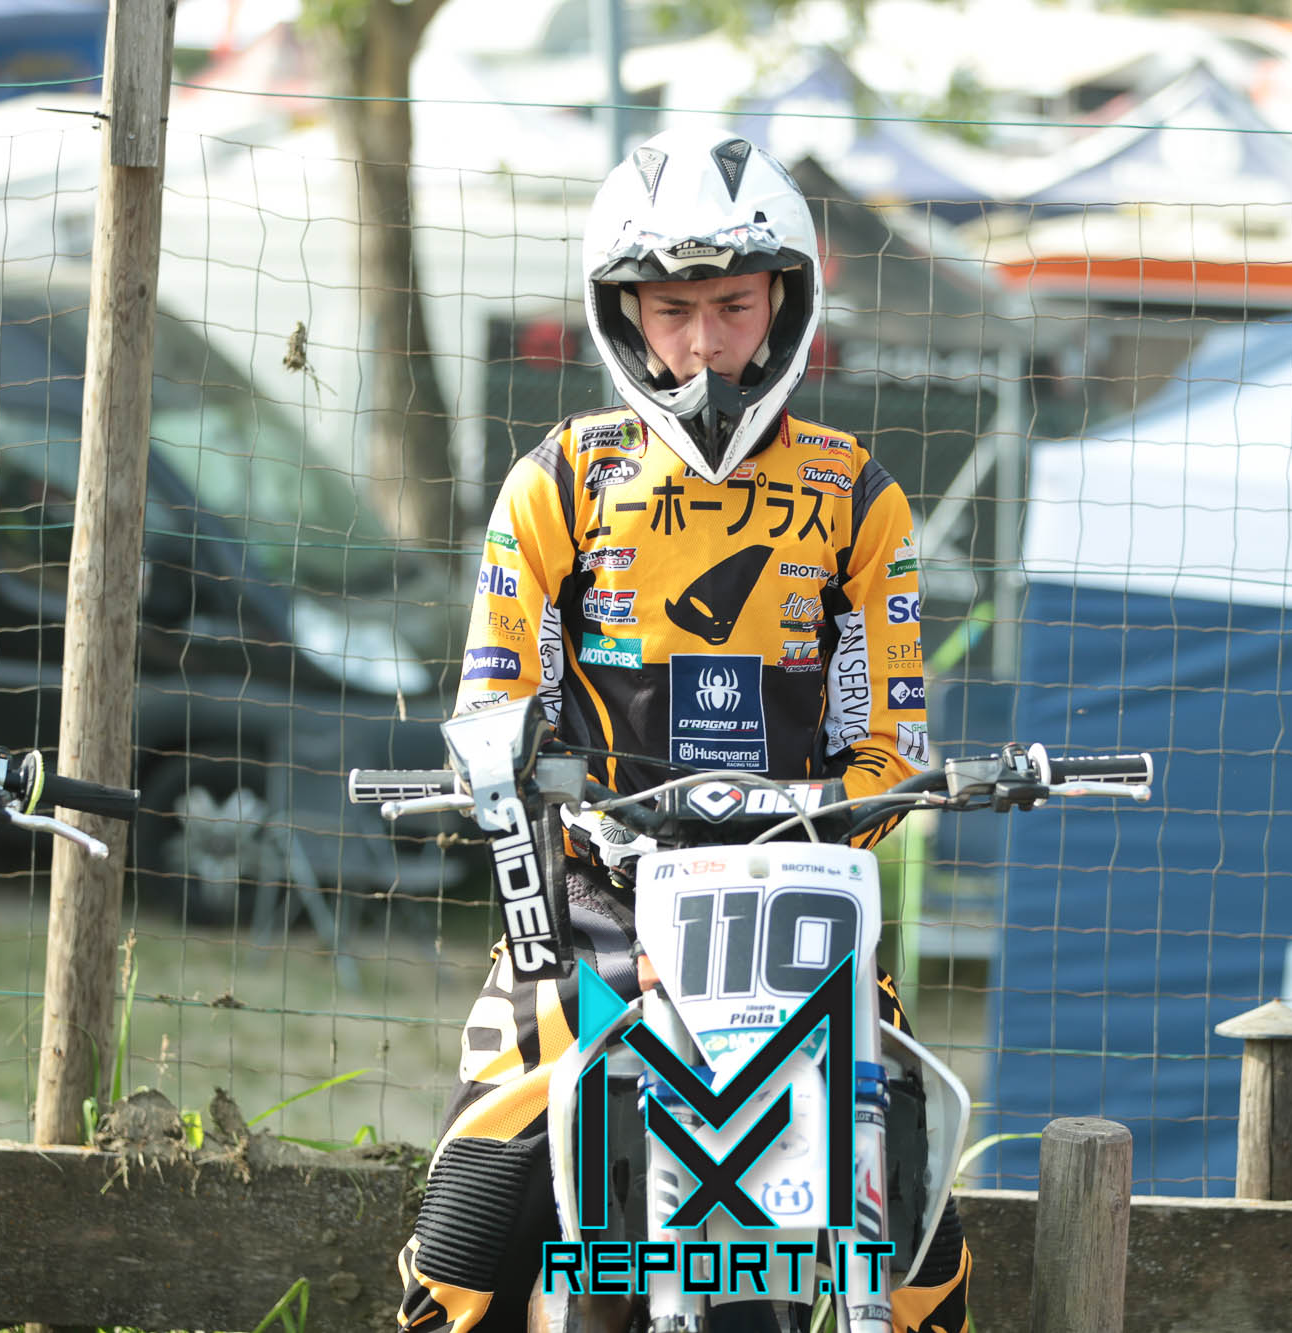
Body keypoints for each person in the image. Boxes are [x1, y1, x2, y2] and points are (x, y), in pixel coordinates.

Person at [393, 127, 969, 1332]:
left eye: (731, 306)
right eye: (671, 310)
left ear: (784, 303)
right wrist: (504, 779)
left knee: (923, 1258)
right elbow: (490, 702)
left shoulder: (856, 495)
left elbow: (894, 740)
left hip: (800, 910)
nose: (702, 343)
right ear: (622, 313)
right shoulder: (559, 480)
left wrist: (831, 817)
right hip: (591, 912)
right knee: (461, 1252)